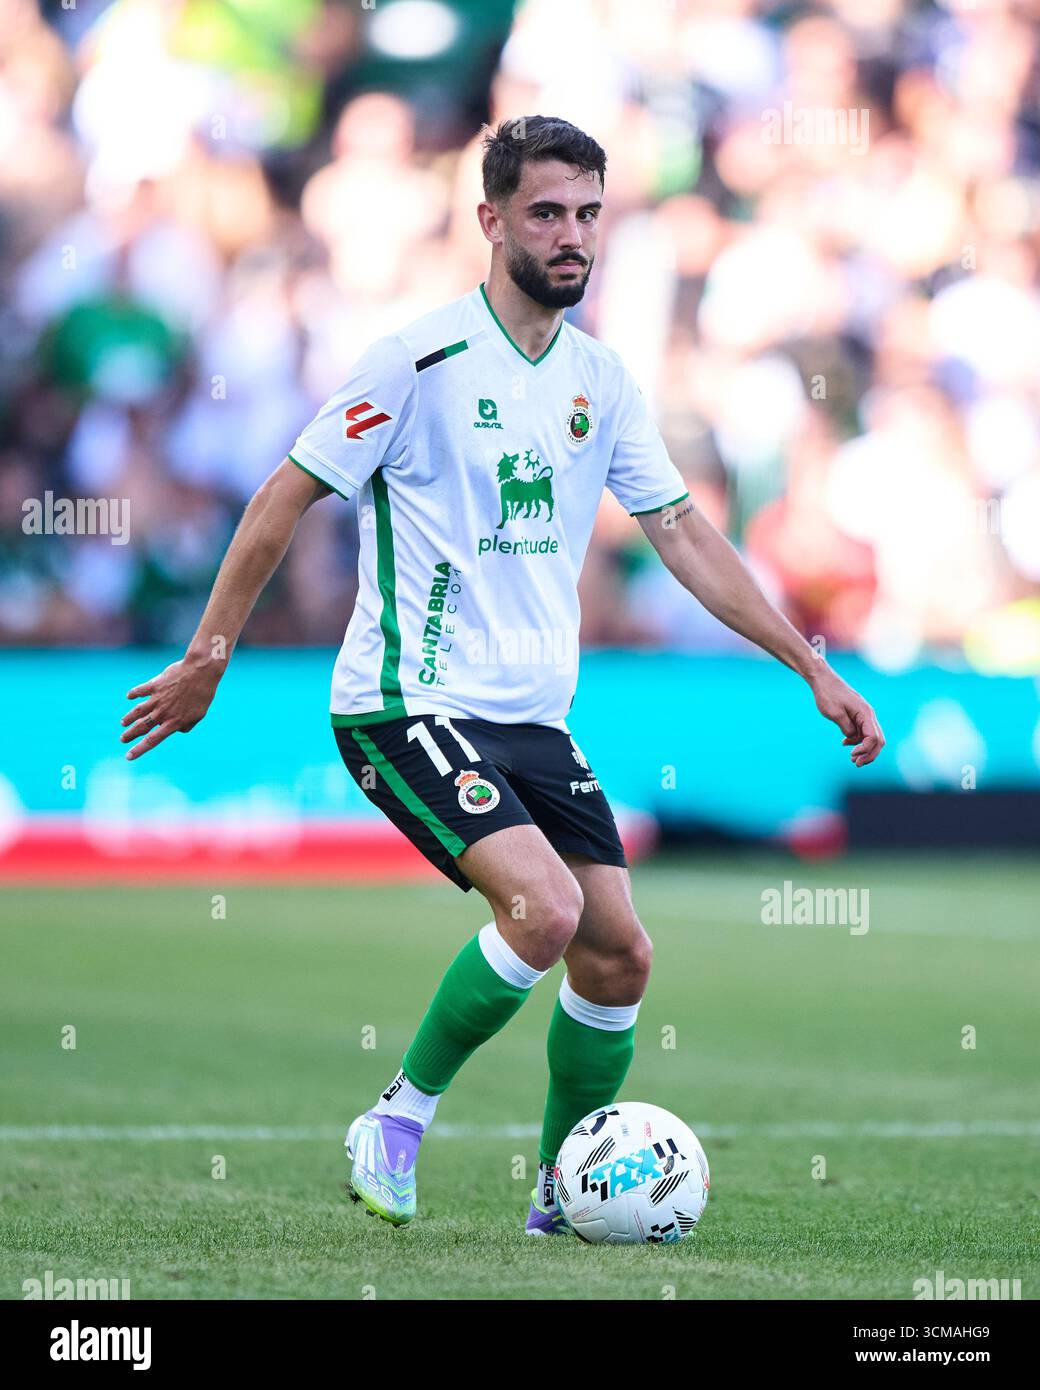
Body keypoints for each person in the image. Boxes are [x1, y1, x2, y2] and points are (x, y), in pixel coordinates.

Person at [120, 116, 885, 1234]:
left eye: (585, 214)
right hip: (402, 702)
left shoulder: (602, 379)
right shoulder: (414, 362)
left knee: (618, 955)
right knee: (544, 906)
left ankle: (554, 1188)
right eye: (544, 213)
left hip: (531, 718)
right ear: (489, 220)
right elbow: (285, 494)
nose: (570, 236)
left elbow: (679, 535)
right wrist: (210, 654)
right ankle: (395, 1116)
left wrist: (806, 663)